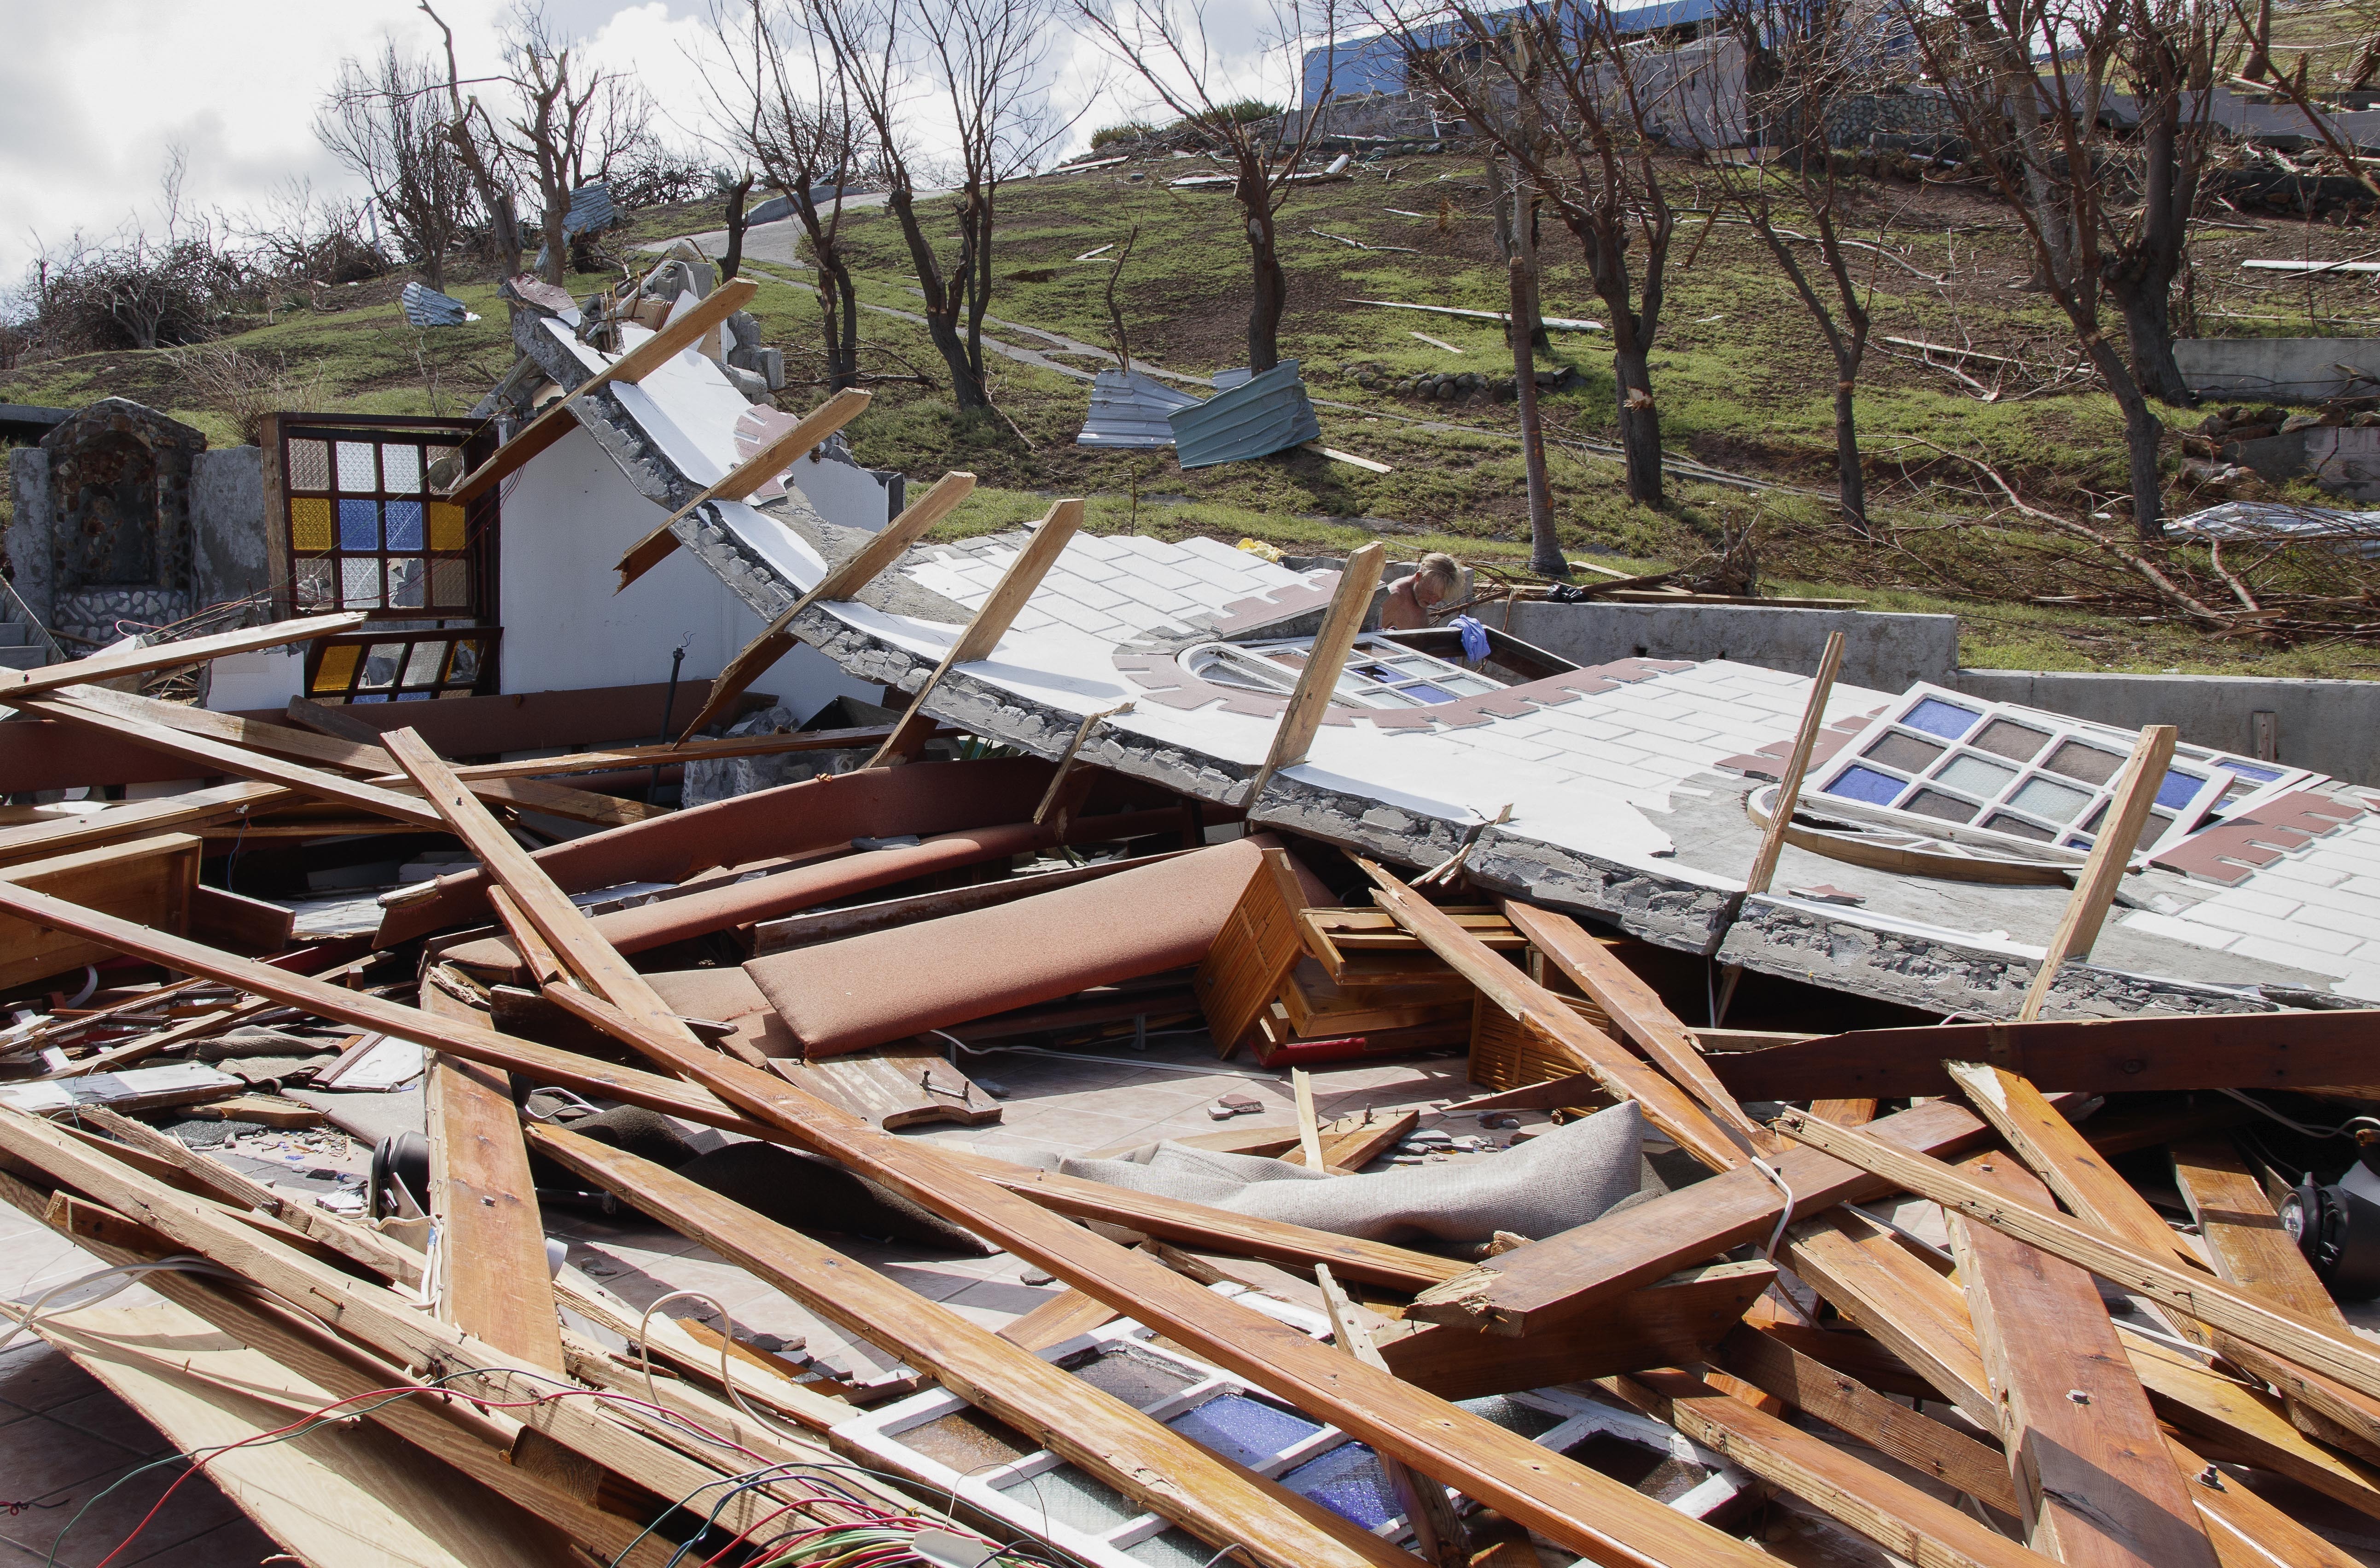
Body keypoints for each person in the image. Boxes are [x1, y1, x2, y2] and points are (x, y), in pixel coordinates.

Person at [1380, 552, 1460, 630]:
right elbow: (1370, 636)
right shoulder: (1394, 597)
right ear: (1419, 577)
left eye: (1438, 598)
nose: (1433, 603)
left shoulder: (1420, 595)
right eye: (1430, 594)